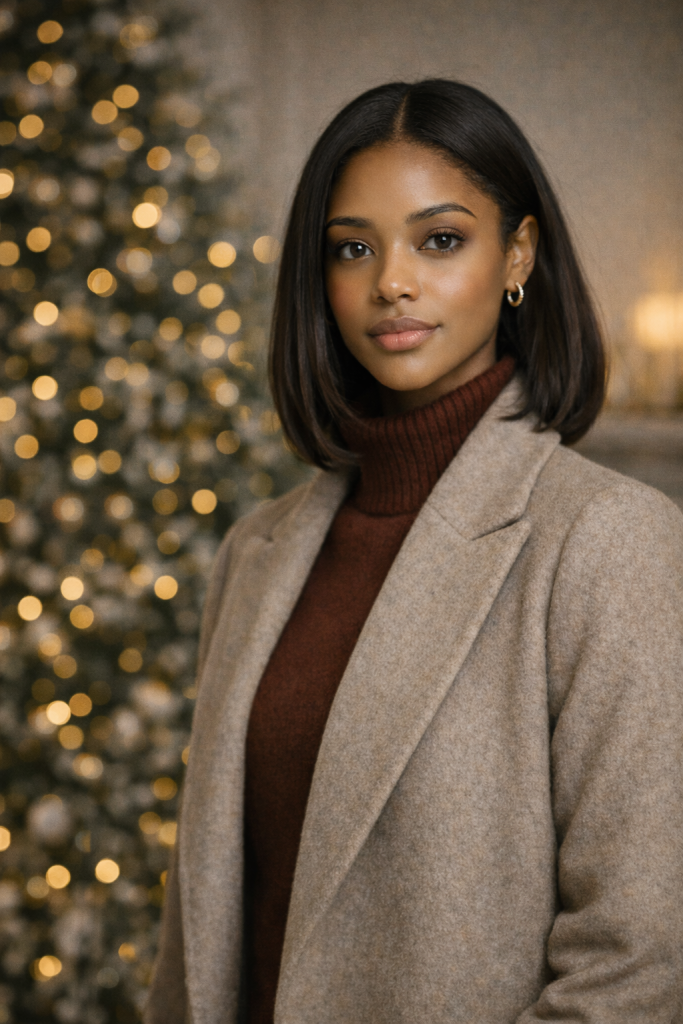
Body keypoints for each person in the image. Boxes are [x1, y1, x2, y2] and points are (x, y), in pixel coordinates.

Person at [145, 80, 683, 1024]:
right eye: (352, 248)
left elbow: (635, 962)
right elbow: (209, 926)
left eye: (440, 239)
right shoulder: (256, 552)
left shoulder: (607, 540)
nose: (391, 280)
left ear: (517, 252)